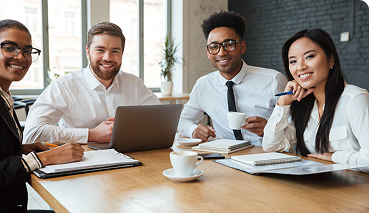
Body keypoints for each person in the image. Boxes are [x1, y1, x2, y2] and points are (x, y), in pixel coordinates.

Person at [23, 22, 160, 144]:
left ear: (122, 54)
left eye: (115, 51)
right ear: (88, 52)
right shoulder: (64, 86)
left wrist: (131, 125)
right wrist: (91, 134)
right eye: (100, 50)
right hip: (81, 162)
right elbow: (32, 133)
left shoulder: (134, 83)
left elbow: (161, 120)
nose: (107, 57)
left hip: (132, 159)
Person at [0, 19, 84, 213]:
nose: (20, 56)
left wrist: (20, 148)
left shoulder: (5, 97)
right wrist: (44, 159)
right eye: (9, 47)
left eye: (27, 50)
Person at [177, 11, 287, 145]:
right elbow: (182, 121)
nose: (221, 52)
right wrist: (193, 130)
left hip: (267, 156)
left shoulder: (273, 81)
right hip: (223, 157)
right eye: (214, 46)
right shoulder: (204, 85)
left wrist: (270, 130)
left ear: (242, 46)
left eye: (229, 44)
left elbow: (298, 128)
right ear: (208, 52)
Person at [262, 28, 369, 164]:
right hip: (318, 183)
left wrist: (334, 156)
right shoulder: (303, 106)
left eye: (309, 57)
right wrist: (283, 103)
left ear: (331, 59)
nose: (300, 67)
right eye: (293, 61)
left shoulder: (355, 99)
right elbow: (271, 146)